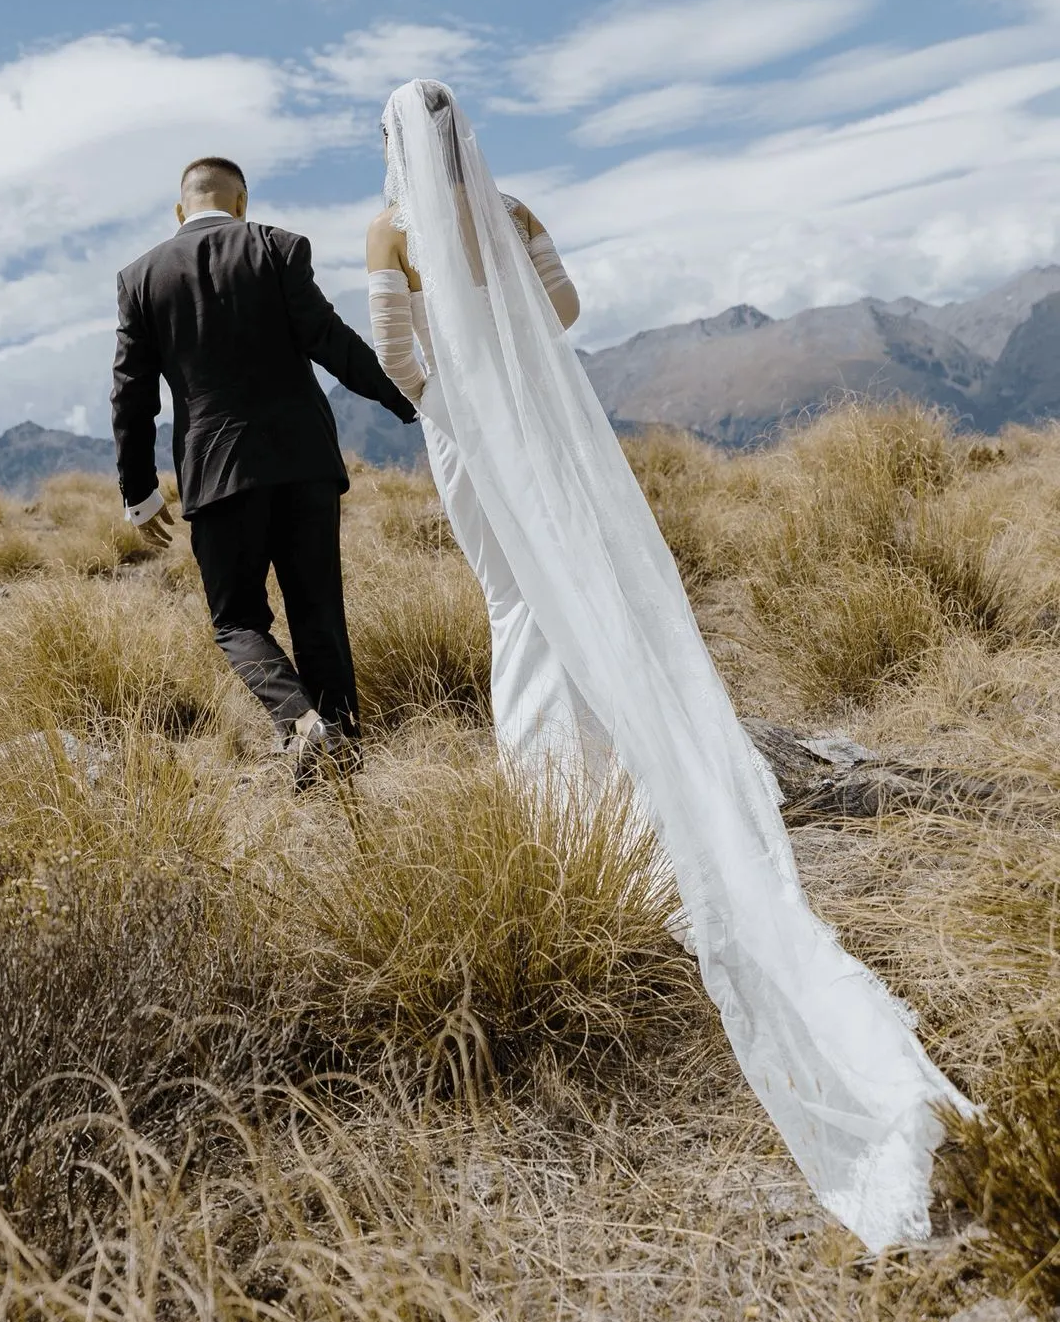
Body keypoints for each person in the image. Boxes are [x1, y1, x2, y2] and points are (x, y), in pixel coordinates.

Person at [364, 78, 969, 1253]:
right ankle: (608, 785)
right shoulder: (515, 208)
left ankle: (561, 812)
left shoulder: (387, 230)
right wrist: (514, 359)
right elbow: (567, 307)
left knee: (515, 607)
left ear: (393, 144)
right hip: (545, 423)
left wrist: (456, 389)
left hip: (472, 434)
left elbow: (399, 357)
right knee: (575, 603)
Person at [112, 153, 418, 779]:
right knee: (318, 614)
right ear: (241, 203)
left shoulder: (139, 278)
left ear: (180, 210)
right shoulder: (277, 247)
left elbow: (131, 396)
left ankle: (301, 723)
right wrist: (405, 400)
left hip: (216, 474)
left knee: (236, 621)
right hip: (305, 463)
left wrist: (140, 494)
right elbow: (331, 342)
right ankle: (346, 763)